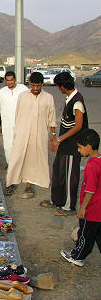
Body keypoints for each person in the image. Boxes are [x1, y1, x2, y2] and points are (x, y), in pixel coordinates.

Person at [42, 72, 88, 216]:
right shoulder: (70, 98)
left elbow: (78, 126)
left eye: (58, 86)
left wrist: (59, 139)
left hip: (73, 145)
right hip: (64, 144)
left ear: (62, 86)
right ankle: (57, 200)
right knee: (58, 171)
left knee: (70, 176)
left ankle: (69, 206)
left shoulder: (77, 101)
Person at [5, 72, 56, 197]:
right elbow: (17, 115)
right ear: (30, 84)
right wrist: (17, 131)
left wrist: (53, 135)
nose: (35, 89)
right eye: (33, 86)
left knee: (33, 160)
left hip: (39, 134)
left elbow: (52, 118)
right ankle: (11, 183)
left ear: (42, 84)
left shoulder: (48, 98)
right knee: (16, 158)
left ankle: (29, 185)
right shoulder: (23, 96)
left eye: (38, 86)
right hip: (22, 133)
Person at [60, 129, 101, 267]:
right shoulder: (99, 162)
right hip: (99, 209)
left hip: (92, 209)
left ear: (89, 146)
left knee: (85, 235)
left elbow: (90, 189)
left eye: (80, 147)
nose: (78, 150)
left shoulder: (91, 165)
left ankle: (78, 256)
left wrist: (83, 208)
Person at [0, 71, 28, 165]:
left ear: (15, 79)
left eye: (11, 80)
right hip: (7, 124)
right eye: (8, 80)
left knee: (21, 144)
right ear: (5, 81)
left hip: (21, 123)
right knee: (8, 145)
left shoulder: (23, 89)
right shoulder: (2, 92)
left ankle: (21, 165)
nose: (10, 82)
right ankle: (11, 164)